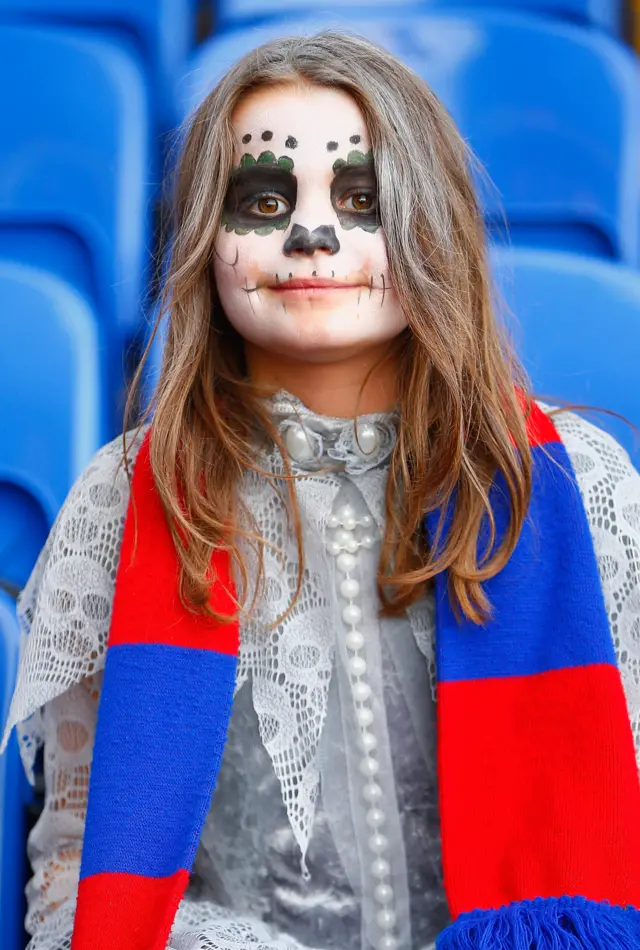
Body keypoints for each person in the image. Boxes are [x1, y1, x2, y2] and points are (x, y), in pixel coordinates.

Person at [3, 30, 640, 950]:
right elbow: (74, 880)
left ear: (429, 223)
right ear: (203, 241)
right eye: (262, 201)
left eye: (361, 198)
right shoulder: (122, 506)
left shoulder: (581, 490)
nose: (311, 234)